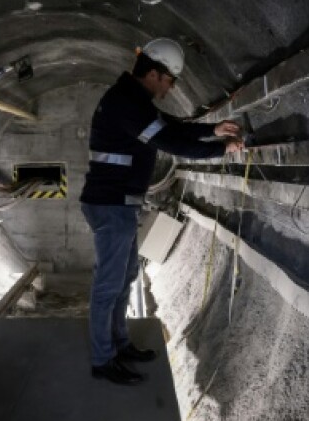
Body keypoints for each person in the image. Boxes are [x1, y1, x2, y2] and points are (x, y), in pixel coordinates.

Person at [80, 38, 243, 385]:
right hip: (110, 205)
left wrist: (213, 130)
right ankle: (102, 359)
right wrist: (221, 150)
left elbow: (174, 128)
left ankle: (119, 344)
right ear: (153, 73)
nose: (170, 88)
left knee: (125, 279)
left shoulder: (136, 101)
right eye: (170, 80)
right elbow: (172, 142)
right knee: (108, 285)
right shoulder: (126, 103)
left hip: (119, 204)